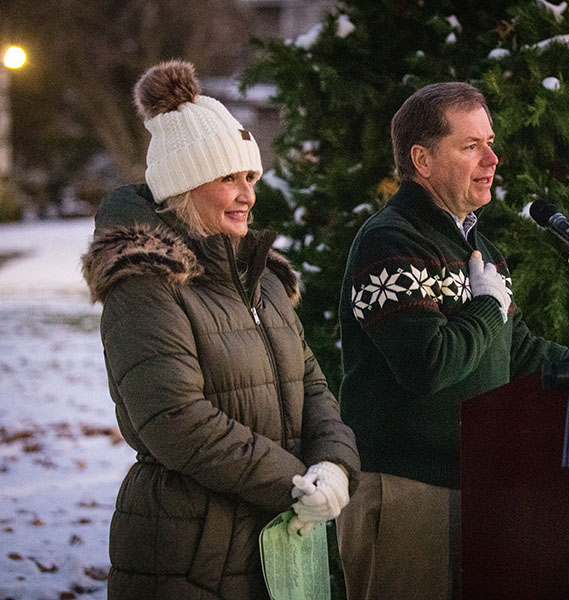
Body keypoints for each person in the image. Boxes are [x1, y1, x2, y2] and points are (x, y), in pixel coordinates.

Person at [81, 60, 359, 599]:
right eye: (227, 178)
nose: (247, 194)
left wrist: (334, 464)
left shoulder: (265, 281)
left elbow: (314, 386)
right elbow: (174, 419)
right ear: (184, 186)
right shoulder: (145, 283)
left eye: (250, 177)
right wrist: (294, 483)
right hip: (189, 554)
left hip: (274, 547)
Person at [336, 81, 569, 599]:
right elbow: (428, 365)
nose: (492, 158)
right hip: (405, 493)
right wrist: (486, 305)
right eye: (471, 146)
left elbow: (520, 351)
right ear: (422, 158)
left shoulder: (479, 249)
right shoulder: (390, 240)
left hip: (475, 491)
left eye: (489, 142)